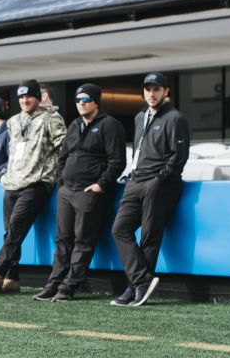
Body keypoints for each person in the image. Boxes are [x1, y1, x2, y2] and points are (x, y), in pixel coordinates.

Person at [0, 80, 65, 294]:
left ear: (38, 98)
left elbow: (64, 149)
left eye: (29, 96)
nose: (25, 100)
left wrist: (55, 176)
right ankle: (11, 279)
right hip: (13, 182)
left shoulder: (51, 118)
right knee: (10, 233)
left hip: (37, 183)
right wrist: (5, 175)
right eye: (21, 97)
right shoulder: (13, 122)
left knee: (15, 230)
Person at [35, 84, 126, 302]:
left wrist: (100, 185)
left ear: (96, 101)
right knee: (63, 240)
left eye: (86, 99)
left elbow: (117, 161)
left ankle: (68, 287)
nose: (81, 103)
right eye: (78, 100)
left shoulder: (110, 125)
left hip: (90, 192)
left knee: (83, 242)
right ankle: (54, 284)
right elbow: (63, 157)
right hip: (67, 190)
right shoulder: (74, 125)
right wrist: (61, 181)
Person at [110, 72, 190, 307]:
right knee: (119, 229)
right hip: (136, 181)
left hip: (159, 183)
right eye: (147, 89)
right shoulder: (139, 117)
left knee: (149, 236)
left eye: (156, 89)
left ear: (166, 92)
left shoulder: (175, 118)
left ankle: (135, 286)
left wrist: (159, 178)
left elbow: (180, 156)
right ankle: (140, 282)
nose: (151, 94)